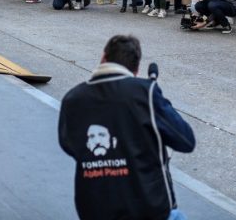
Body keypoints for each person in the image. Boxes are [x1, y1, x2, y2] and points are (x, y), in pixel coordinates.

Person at [58, 35, 195, 220]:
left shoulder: (72, 99)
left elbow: (69, 144)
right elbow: (186, 141)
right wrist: (160, 102)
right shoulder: (144, 93)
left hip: (93, 210)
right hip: (148, 210)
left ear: (103, 58)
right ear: (136, 70)